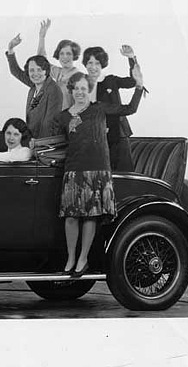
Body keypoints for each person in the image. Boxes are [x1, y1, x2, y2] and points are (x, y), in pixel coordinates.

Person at [59, 68, 145, 276]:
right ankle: (71, 257)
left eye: (84, 88)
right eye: (76, 88)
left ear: (89, 90)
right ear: (71, 91)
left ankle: (83, 259)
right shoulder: (62, 116)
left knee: (90, 216)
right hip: (73, 169)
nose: (80, 92)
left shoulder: (99, 109)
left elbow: (130, 109)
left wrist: (139, 86)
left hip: (98, 168)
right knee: (71, 217)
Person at [83, 45, 145, 172]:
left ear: (102, 64)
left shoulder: (110, 80)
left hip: (118, 133)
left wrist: (131, 58)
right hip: (94, 135)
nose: (93, 67)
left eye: (97, 63)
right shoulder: (81, 82)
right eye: (90, 62)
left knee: (123, 171)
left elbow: (134, 80)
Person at [4, 34, 63, 139]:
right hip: (33, 140)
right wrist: (10, 48)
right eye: (32, 70)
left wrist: (38, 144)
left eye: (39, 70)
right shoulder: (34, 86)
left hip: (45, 143)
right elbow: (15, 71)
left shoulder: (53, 89)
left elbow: (49, 123)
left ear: (46, 70)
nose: (35, 74)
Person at [36, 18, 82, 109]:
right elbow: (41, 61)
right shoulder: (58, 72)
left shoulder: (79, 77)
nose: (64, 57)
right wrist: (42, 37)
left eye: (68, 54)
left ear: (74, 55)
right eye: (62, 53)